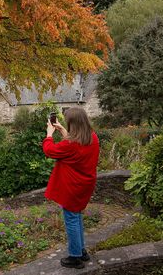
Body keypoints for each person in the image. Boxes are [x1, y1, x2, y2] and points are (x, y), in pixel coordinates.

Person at [43, 107, 99, 269]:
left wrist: (49, 134)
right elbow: (75, 145)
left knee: (72, 219)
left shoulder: (71, 144)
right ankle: (82, 251)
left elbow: (50, 150)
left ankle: (75, 257)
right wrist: (62, 130)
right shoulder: (92, 137)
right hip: (84, 184)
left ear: (73, 124)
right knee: (77, 216)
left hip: (72, 187)